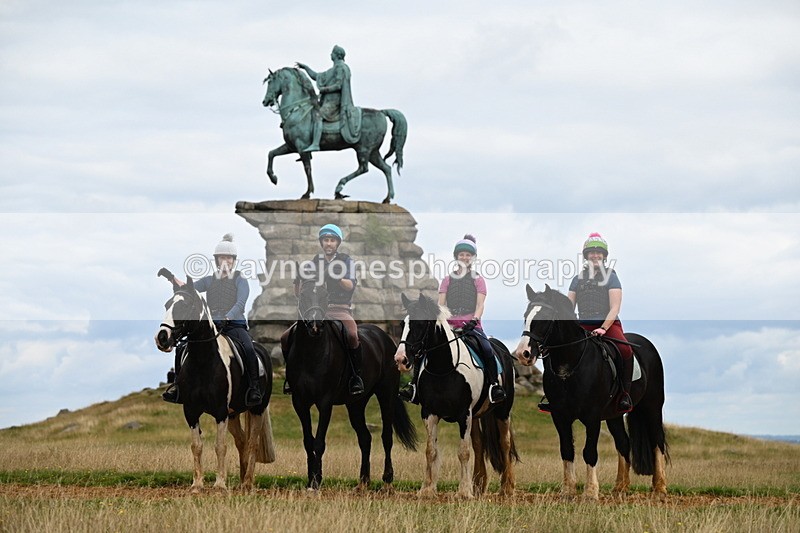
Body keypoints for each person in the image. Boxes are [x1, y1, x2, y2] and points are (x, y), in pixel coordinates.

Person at [399, 234, 507, 405]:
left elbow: (480, 305)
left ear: (473, 258)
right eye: (461, 254)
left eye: (468, 255)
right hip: (449, 326)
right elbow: (441, 305)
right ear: (456, 257)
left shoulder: (479, 280)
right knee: (424, 350)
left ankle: (494, 385)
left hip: (472, 326)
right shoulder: (447, 280)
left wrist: (474, 320)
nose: (464, 257)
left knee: (487, 349)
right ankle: (413, 386)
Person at [162, 234, 263, 407]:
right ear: (217, 260)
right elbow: (188, 290)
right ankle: (178, 387)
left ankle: (254, 388)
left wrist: (227, 317)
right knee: (182, 349)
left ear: (233, 261)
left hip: (234, 325)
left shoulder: (240, 279)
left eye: (229, 258)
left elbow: (240, 303)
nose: (226, 261)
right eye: (222, 257)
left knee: (248, 348)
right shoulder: (209, 280)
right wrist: (171, 277)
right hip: (213, 326)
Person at [540, 232, 633, 414]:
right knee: (551, 349)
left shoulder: (612, 277)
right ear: (586, 256)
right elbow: (568, 306)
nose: (595, 255)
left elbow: (615, 307)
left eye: (599, 253)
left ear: (604, 256)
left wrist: (604, 328)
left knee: (625, 350)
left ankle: (624, 394)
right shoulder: (577, 279)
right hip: (582, 326)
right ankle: (552, 395)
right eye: (592, 253)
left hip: (608, 325)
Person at [281, 223, 364, 396]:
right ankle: (291, 377)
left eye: (332, 240)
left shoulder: (346, 261)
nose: (329, 243)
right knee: (286, 336)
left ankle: (356, 376)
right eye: (326, 240)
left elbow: (349, 286)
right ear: (321, 242)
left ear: (337, 243)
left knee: (352, 335)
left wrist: (336, 276)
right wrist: (298, 281)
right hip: (317, 310)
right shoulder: (314, 263)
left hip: (340, 309)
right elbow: (300, 294)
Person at [296, 45, 361, 152]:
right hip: (327, 101)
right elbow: (316, 76)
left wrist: (324, 89)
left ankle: (316, 144)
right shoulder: (332, 70)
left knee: (318, 115)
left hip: (335, 102)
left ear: (336, 55)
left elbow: (339, 85)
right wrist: (306, 68)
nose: (330, 54)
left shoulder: (341, 68)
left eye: (332, 53)